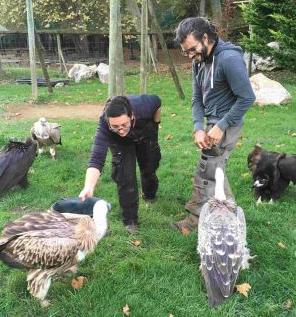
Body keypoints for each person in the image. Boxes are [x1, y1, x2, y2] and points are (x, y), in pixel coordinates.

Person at [172, 17, 255, 233]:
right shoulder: (197, 62)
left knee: (207, 171)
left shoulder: (228, 60)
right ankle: (231, 217)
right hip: (211, 121)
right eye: (186, 52)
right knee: (215, 169)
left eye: (192, 49)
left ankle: (194, 222)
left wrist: (220, 126)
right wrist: (199, 126)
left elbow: (247, 98)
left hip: (227, 122)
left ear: (206, 38)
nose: (190, 56)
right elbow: (197, 98)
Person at [79, 94, 161, 234]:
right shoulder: (104, 125)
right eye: (115, 126)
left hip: (145, 132)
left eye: (124, 125)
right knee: (125, 175)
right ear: (108, 122)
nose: (121, 130)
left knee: (150, 164)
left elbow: (158, 103)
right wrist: (89, 186)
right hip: (121, 144)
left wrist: (155, 126)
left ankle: (149, 193)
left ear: (131, 116)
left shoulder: (145, 105)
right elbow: (96, 158)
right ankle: (130, 220)